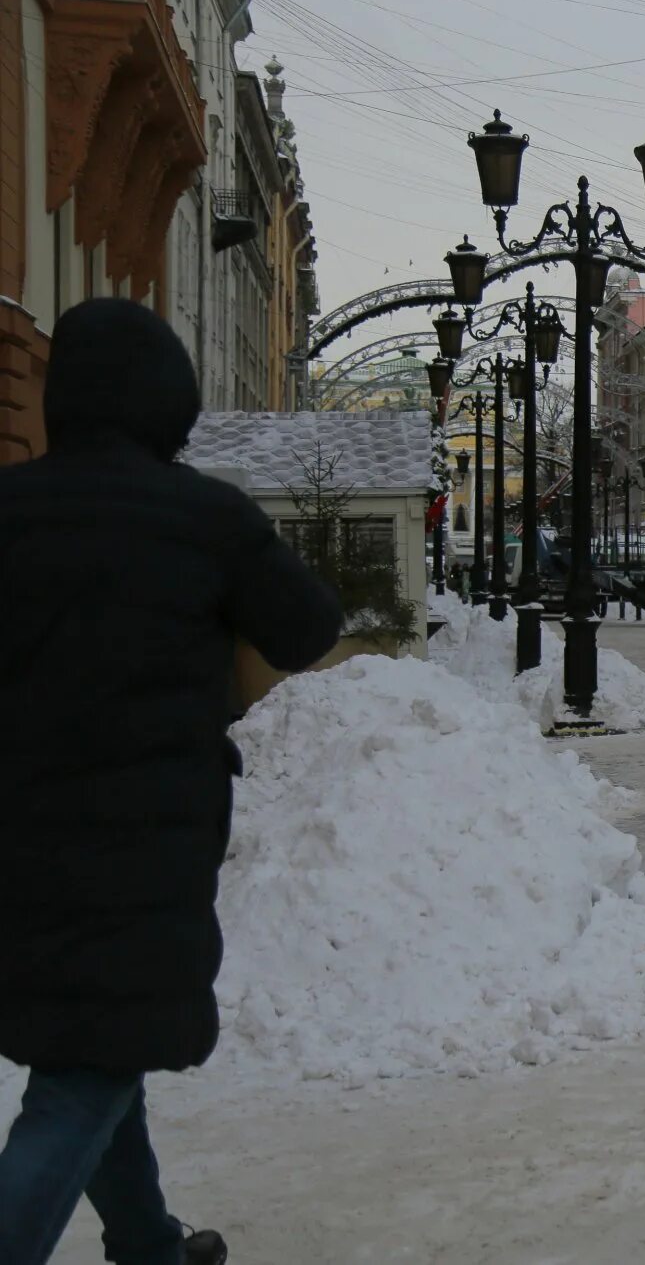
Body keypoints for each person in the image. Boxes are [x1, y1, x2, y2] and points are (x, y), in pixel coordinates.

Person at [0, 298, 343, 1265]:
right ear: (170, 403)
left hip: (18, 839)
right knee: (87, 1073)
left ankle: (147, 1242)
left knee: (91, 1045)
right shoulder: (205, 519)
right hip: (143, 851)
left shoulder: (8, 509)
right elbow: (309, 627)